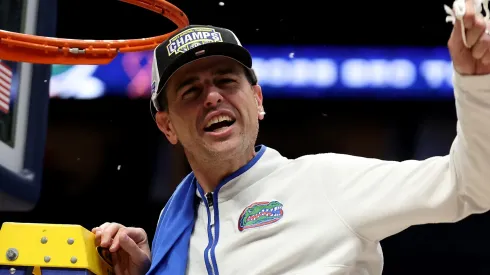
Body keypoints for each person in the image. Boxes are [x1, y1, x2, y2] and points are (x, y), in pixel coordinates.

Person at [93, 1, 490, 274]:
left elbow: (471, 185)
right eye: (190, 91)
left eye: (226, 81)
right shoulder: (174, 227)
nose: (212, 96)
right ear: (167, 127)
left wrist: (477, 85)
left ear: (257, 99)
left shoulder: (325, 182)